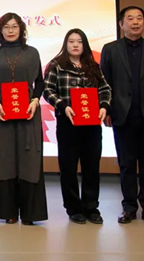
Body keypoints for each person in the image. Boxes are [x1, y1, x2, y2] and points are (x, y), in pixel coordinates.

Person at [100, 6, 144, 227]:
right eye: (130, 19)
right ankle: (129, 208)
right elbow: (104, 83)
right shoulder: (110, 49)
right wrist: (107, 110)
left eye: (139, 18)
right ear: (121, 24)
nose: (135, 22)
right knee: (127, 165)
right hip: (123, 116)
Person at [0, 13, 48, 225]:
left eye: (14, 27)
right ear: (0, 31)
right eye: (6, 27)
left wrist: (35, 100)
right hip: (2, 111)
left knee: (29, 158)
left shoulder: (32, 53)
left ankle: (30, 213)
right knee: (5, 158)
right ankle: (8, 211)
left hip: (29, 111)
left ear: (21, 29)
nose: (10, 31)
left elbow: (40, 82)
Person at [43, 29, 112, 225]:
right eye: (71, 41)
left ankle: (91, 207)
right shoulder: (56, 66)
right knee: (68, 167)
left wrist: (104, 106)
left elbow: (105, 88)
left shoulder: (93, 66)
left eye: (79, 42)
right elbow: (48, 90)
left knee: (91, 166)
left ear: (84, 45)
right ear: (65, 44)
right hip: (68, 123)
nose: (75, 45)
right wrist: (63, 106)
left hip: (91, 124)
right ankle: (73, 208)